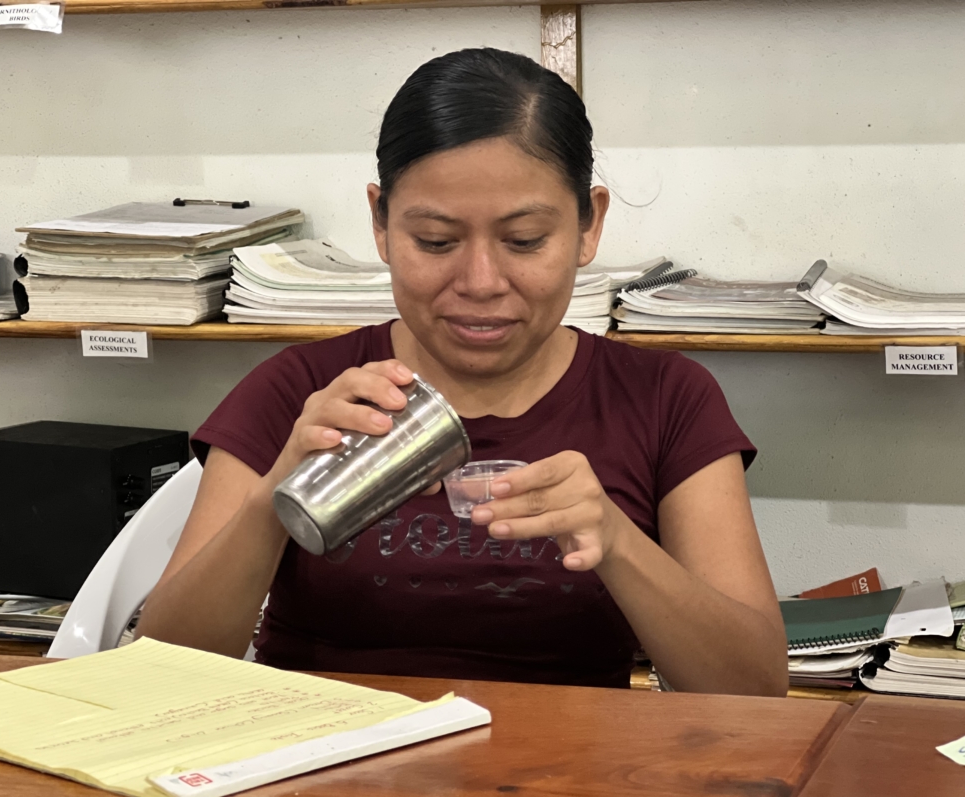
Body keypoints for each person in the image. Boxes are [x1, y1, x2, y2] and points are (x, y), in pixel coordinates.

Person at [137, 48, 788, 696]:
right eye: (437, 241)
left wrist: (616, 541)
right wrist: (277, 495)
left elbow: (756, 690)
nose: (481, 283)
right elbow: (161, 669)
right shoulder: (301, 391)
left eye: (525, 240)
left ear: (590, 225)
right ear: (382, 224)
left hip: (572, 765)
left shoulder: (665, 399)